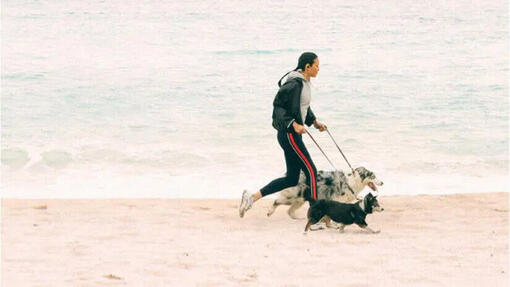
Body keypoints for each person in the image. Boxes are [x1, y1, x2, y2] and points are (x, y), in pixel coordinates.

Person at [239, 52, 327, 218]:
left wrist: (315, 123)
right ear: (307, 67)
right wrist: (293, 124)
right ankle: (316, 214)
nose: (318, 68)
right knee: (311, 170)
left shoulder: (305, 83)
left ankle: (251, 198)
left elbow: (303, 107)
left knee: (292, 178)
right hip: (289, 134)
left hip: (292, 135)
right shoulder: (294, 84)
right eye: (316, 65)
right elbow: (278, 107)